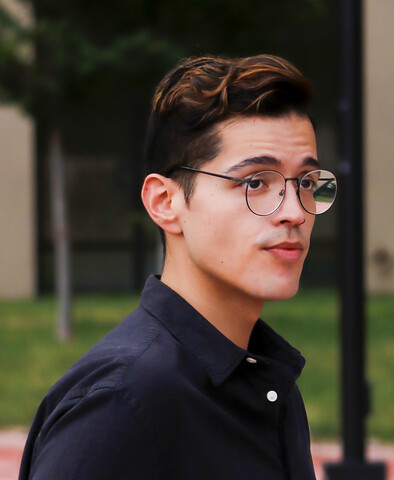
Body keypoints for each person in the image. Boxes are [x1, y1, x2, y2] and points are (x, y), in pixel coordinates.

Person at [19, 54, 337, 479]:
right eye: (256, 183)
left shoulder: (269, 386)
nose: (295, 213)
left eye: (307, 184)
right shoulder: (121, 405)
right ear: (165, 203)